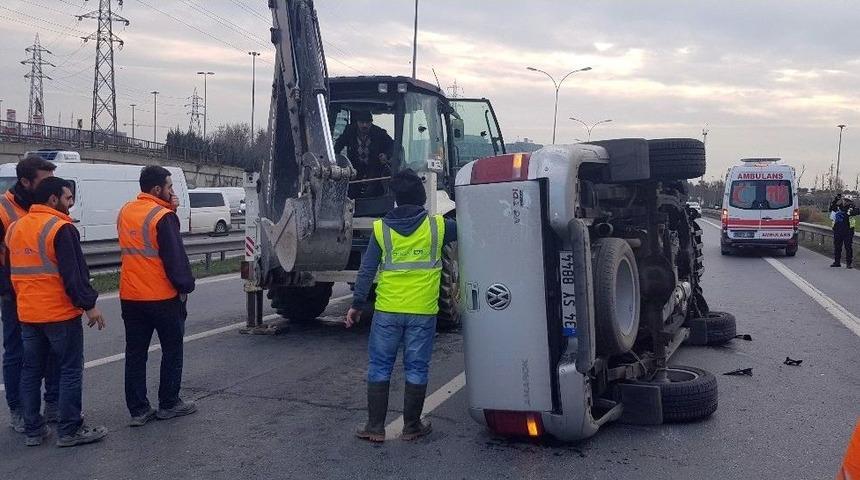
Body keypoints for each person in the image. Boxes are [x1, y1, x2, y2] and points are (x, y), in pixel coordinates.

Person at [345, 169, 456, 442]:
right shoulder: (439, 227)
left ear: (394, 200)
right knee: (417, 368)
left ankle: (374, 427)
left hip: (387, 312)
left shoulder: (381, 230)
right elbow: (474, 227)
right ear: (422, 199)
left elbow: (366, 270)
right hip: (422, 313)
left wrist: (358, 304)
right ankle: (412, 426)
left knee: (380, 366)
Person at [6, 176, 107, 447]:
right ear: (53, 199)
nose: (70, 204)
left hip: (27, 313)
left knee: (30, 371)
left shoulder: (16, 228)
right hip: (59, 314)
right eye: (67, 198)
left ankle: (33, 430)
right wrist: (90, 306)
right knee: (70, 369)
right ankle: (70, 429)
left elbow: (11, 271)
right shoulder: (61, 228)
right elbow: (74, 275)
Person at [117, 165, 196, 427]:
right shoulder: (162, 216)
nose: (173, 191)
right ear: (157, 189)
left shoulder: (126, 211)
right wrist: (185, 286)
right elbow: (174, 258)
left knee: (136, 353)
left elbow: (144, 245)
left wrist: (169, 209)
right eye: (170, 187)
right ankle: (169, 403)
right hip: (161, 297)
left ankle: (138, 410)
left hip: (131, 296)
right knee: (172, 349)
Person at [0, 155, 60, 433]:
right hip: (15, 295)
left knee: (51, 352)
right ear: (25, 182)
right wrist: (8, 292)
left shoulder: (44, 206)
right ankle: (20, 410)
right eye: (45, 181)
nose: (53, 187)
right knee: (17, 352)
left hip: (48, 293)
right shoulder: (3, 209)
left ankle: (52, 405)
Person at [334, 110, 394, 197]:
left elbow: (392, 145)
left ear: (371, 123)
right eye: (362, 122)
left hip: (374, 167)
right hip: (354, 168)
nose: (364, 125)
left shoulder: (379, 133)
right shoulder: (350, 131)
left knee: (374, 192)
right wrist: (335, 159)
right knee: (352, 192)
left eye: (367, 122)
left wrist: (386, 155)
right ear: (357, 122)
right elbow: (339, 145)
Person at [831, 195, 858, 268]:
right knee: (837, 247)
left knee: (848, 247)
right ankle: (837, 262)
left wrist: (852, 209)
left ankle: (849, 263)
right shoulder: (839, 207)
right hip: (838, 230)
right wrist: (836, 200)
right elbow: (832, 208)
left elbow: (857, 212)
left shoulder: (852, 208)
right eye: (845, 200)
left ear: (850, 202)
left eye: (848, 201)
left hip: (848, 231)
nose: (846, 202)